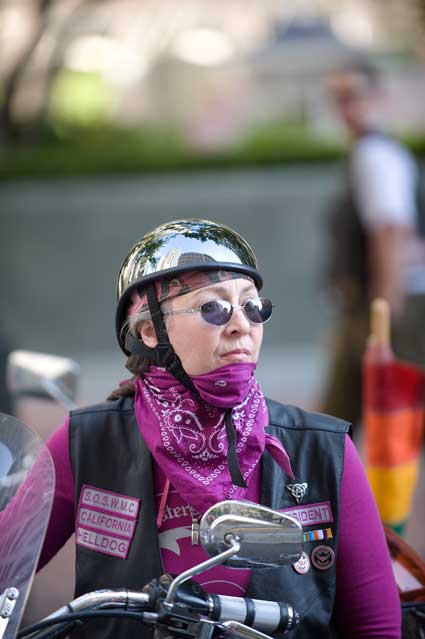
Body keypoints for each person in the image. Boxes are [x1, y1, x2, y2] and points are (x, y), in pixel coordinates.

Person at [39, 219, 401, 638]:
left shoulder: (323, 451)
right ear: (150, 330)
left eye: (253, 306)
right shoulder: (86, 443)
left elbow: (377, 628)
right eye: (213, 307)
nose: (241, 325)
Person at [321, 63, 425, 427]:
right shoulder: (370, 152)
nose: (346, 106)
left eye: (354, 95)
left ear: (378, 97)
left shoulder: (374, 154)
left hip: (385, 307)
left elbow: (391, 233)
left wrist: (383, 317)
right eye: (338, 98)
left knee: (383, 422)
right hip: (373, 307)